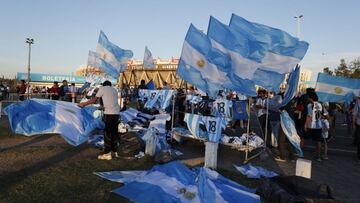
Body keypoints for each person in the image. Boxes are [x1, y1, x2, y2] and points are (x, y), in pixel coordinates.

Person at [78, 80, 120, 160]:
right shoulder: (114, 90)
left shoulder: (102, 88)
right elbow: (111, 102)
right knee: (114, 132)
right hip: (116, 113)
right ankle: (114, 151)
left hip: (109, 114)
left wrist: (83, 104)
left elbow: (94, 100)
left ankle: (107, 154)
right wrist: (102, 107)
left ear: (103, 85)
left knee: (107, 133)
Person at [304, 92, 324, 161]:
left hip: (311, 126)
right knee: (318, 141)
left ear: (311, 98)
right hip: (319, 125)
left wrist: (305, 125)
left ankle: (299, 152)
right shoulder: (320, 104)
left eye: (309, 97)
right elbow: (321, 114)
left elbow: (308, 116)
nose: (308, 98)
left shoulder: (310, 105)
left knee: (303, 137)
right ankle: (318, 156)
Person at [353, 95, 360, 161]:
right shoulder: (358, 101)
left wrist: (353, 124)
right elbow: (355, 113)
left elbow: (355, 113)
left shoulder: (358, 101)